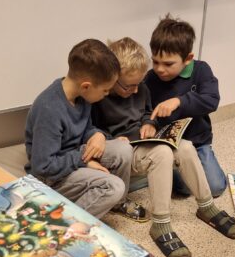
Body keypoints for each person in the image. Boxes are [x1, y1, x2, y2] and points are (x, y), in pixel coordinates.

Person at [92, 37, 235, 257]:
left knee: (186, 146)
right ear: (112, 78)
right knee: (162, 154)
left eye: (138, 85)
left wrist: (149, 123)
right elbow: (91, 130)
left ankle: (206, 206)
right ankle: (160, 224)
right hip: (123, 151)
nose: (135, 90)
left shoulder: (140, 88)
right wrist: (111, 139)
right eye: (128, 86)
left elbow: (146, 112)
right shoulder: (99, 97)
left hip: (143, 142)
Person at [25, 38, 147, 221]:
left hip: (74, 157)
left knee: (123, 149)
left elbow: (85, 128)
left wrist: (97, 134)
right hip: (51, 178)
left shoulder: (82, 96)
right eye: (105, 90)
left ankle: (117, 203)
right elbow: (43, 166)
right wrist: (84, 160)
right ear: (86, 86)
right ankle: (66, 224)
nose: (107, 94)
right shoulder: (49, 109)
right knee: (114, 186)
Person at [144, 14, 227, 198]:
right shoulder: (150, 78)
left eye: (168, 64)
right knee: (185, 189)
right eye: (155, 61)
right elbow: (145, 109)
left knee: (216, 188)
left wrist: (179, 101)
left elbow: (211, 100)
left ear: (187, 58)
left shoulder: (201, 70)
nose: (159, 69)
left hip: (198, 142)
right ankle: (172, 170)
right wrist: (148, 123)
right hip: (169, 146)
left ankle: (195, 166)